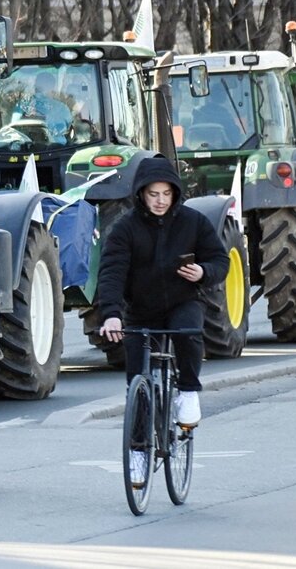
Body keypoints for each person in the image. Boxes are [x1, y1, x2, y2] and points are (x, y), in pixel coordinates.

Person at [94, 157, 228, 486]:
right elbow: (111, 273)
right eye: (153, 194)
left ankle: (189, 392)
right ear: (141, 194)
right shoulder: (124, 228)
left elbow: (220, 260)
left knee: (189, 331)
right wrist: (111, 314)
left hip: (183, 301)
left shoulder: (193, 222)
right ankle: (139, 452)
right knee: (138, 386)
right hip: (141, 309)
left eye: (166, 194)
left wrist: (203, 272)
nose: (160, 201)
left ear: (175, 193)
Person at [28, 72, 73, 144]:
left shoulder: (25, 105)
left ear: (35, 87)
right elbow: (69, 127)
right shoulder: (62, 108)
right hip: (58, 147)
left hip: (26, 146)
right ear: (53, 88)